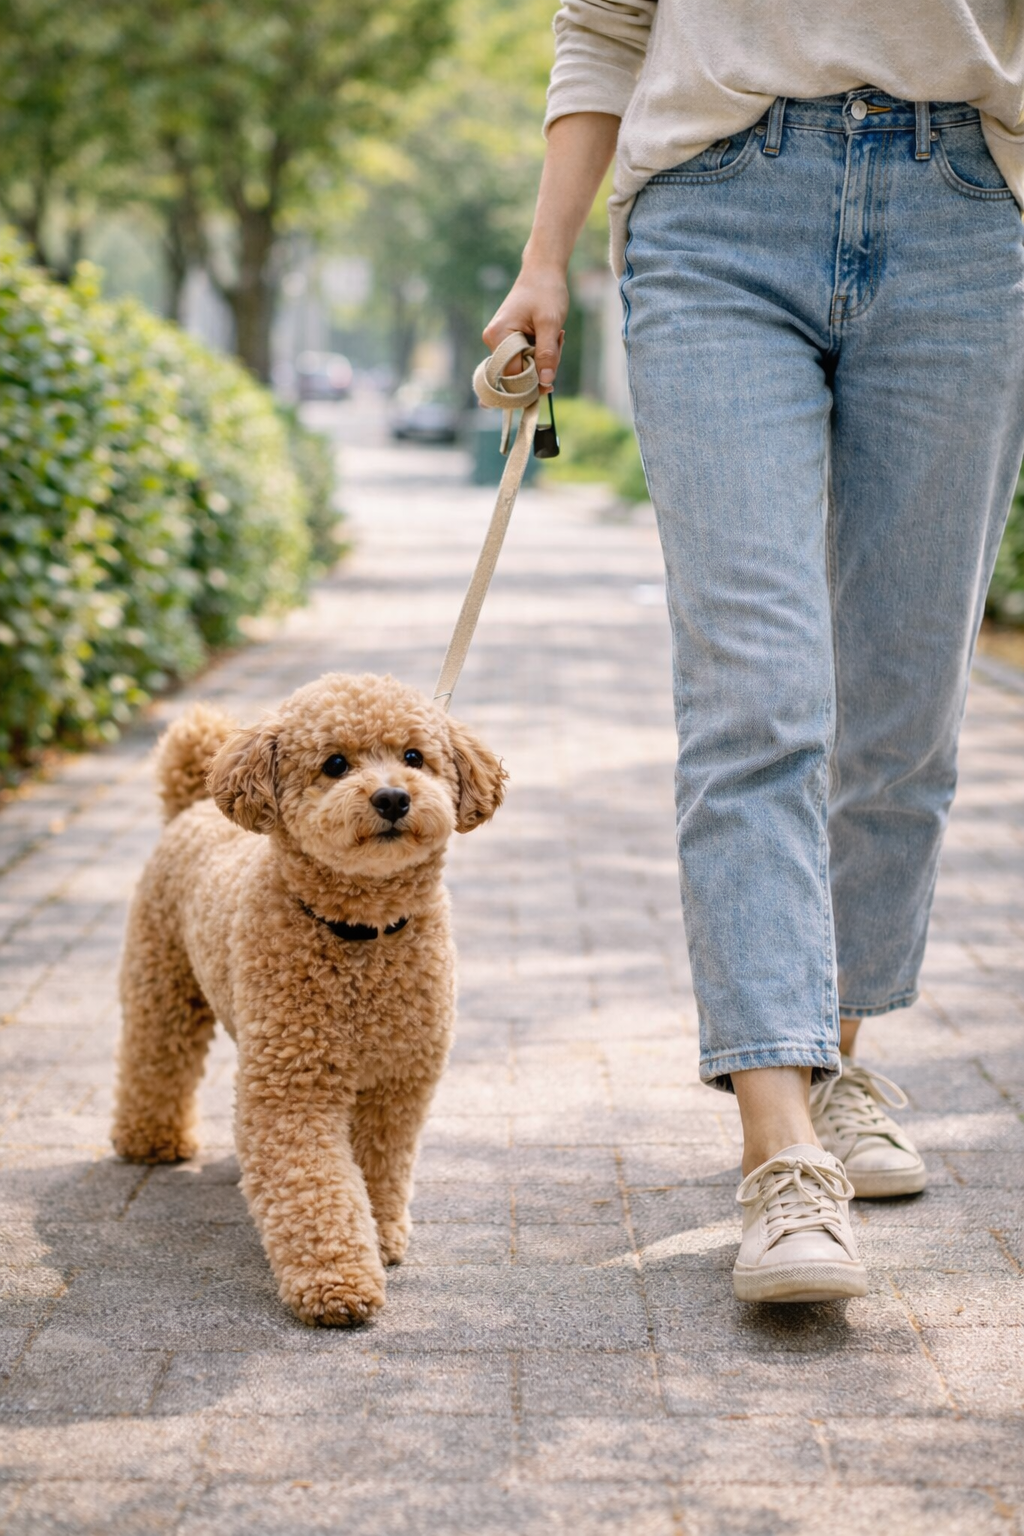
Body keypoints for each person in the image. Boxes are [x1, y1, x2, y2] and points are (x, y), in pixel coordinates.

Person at [484, 2, 1024, 1303]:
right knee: (759, 691)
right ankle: (780, 1152)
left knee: (903, 708)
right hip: (717, 212)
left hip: (968, 210)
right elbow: (604, 24)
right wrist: (544, 256)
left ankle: (832, 1058)